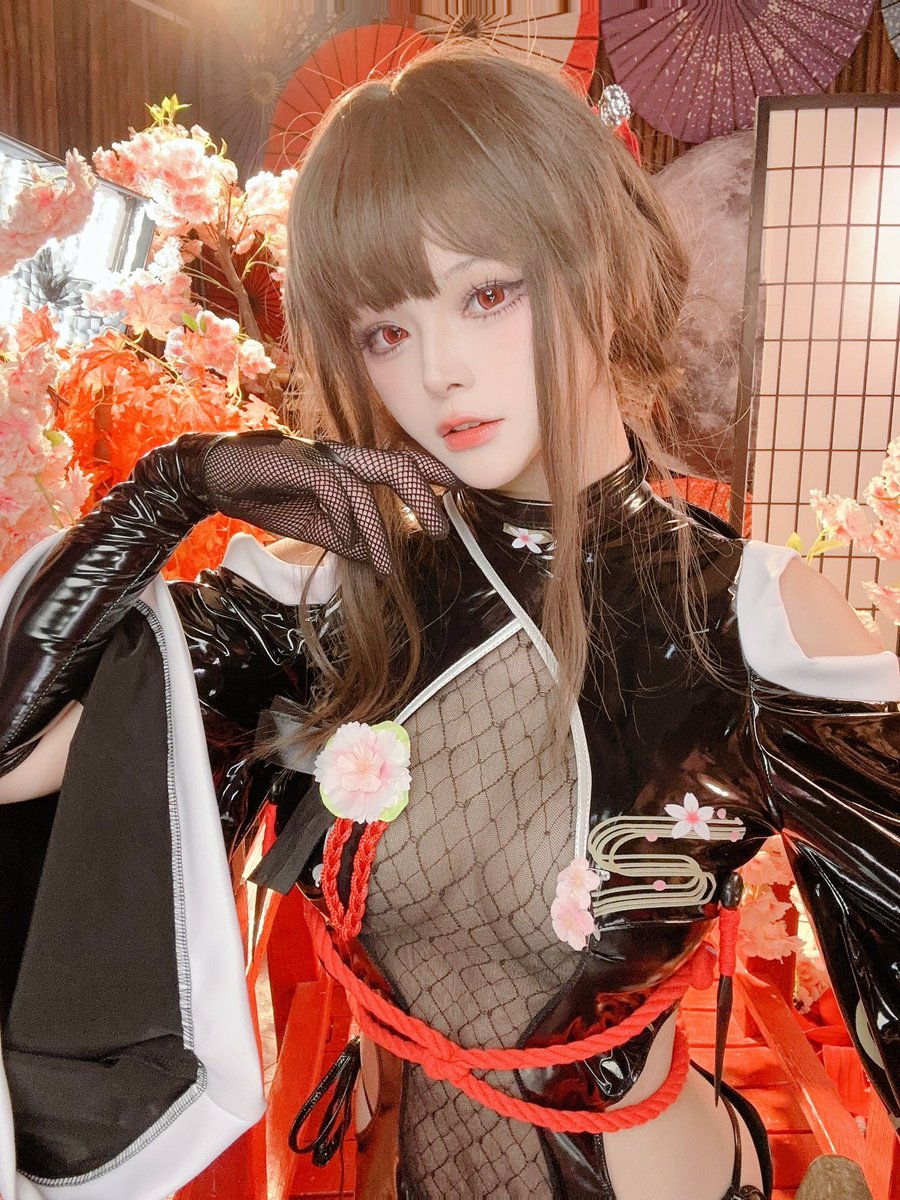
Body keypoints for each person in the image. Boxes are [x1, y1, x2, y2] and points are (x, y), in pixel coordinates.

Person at [1, 40, 898, 1200]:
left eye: (486, 294)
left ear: (599, 263)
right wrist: (171, 488)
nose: (440, 373)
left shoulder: (753, 621)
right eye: (387, 328)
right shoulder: (334, 601)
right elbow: (15, 755)